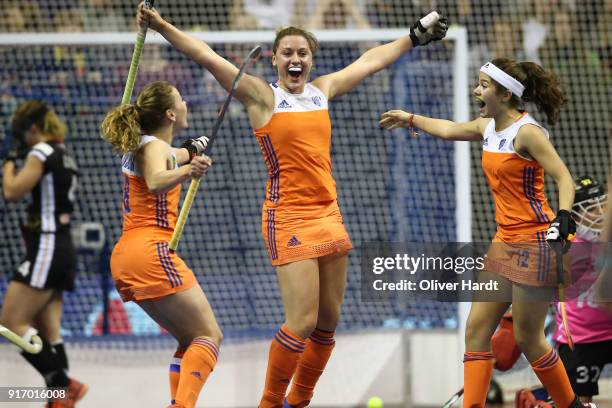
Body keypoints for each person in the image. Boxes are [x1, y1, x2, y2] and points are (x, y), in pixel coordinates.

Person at [136, 4, 447, 407]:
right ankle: (270, 402)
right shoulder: (262, 96)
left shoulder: (322, 91)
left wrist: (415, 36)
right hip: (288, 217)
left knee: (327, 324)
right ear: (275, 59)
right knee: (301, 323)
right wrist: (162, 26)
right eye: (288, 53)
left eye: (302, 53)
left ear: (311, 60)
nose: (295, 59)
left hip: (329, 215)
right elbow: (205, 55)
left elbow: (371, 60)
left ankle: (298, 401)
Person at [380, 58, 596, 408]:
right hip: (503, 241)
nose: (476, 90)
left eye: (483, 84)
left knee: (529, 339)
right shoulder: (487, 127)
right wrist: (410, 119)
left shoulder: (527, 132)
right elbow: (450, 129)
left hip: (535, 243)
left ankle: (570, 405)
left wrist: (565, 216)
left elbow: (564, 177)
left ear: (506, 93)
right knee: (476, 330)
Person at [100, 81, 222, 408]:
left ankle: (176, 403)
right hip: (150, 251)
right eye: (181, 100)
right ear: (170, 113)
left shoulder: (149, 145)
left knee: (188, 339)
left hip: (128, 255)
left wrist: (193, 149)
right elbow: (156, 180)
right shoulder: (153, 148)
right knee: (209, 336)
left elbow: (176, 154)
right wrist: (188, 169)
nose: (186, 103)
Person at [0, 100, 87, 407]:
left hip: (47, 245)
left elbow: (12, 191)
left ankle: (63, 386)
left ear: (33, 129)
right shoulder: (64, 154)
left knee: (11, 324)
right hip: (61, 246)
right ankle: (58, 398)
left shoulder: (40, 152)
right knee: (49, 331)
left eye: (22, 134)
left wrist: (9, 162)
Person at [553, 176, 612, 405]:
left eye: (602, 204)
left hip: (610, 331)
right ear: (575, 216)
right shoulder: (567, 250)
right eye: (591, 207)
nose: (599, 212)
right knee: (578, 401)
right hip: (579, 340)